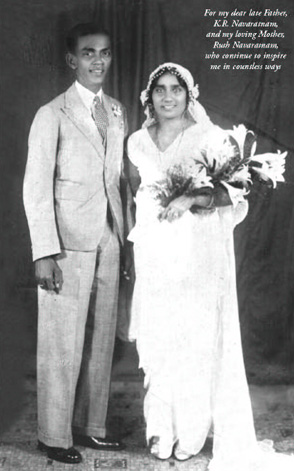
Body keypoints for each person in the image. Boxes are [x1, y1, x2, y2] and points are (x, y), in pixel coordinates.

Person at [126, 63, 294, 470]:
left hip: (198, 252)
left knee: (194, 340)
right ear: (150, 97)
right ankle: (160, 430)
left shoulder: (209, 136)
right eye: (160, 90)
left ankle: (192, 431)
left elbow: (234, 194)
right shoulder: (136, 141)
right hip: (153, 249)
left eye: (176, 90)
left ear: (190, 95)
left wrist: (190, 200)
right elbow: (140, 191)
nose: (168, 97)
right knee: (159, 335)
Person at [23, 23, 129, 464]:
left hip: (109, 236)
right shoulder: (53, 113)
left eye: (103, 53)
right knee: (61, 342)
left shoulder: (118, 111)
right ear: (72, 60)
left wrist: (126, 235)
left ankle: (93, 427)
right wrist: (44, 252)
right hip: (66, 242)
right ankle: (53, 435)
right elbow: (35, 187)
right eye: (88, 53)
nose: (97, 61)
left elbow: (117, 179)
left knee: (102, 339)